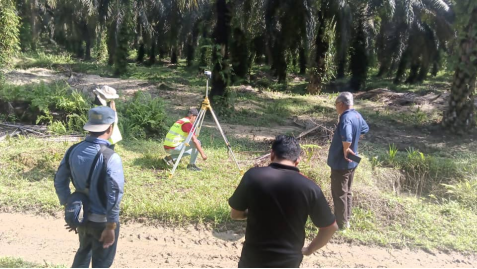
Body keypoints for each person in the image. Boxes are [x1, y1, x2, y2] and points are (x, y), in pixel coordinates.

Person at [229, 135, 338, 268]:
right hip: (288, 262)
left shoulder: (253, 176)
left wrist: (251, 212)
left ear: (272, 154)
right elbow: (330, 227)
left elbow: (235, 214)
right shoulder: (310, 187)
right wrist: (309, 249)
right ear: (297, 160)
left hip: (253, 259)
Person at [54, 107, 125, 268]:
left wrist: (70, 207)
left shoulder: (73, 150)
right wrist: (111, 225)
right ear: (110, 128)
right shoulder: (111, 157)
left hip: (82, 217)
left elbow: (59, 180)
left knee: (83, 252)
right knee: (102, 262)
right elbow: (115, 193)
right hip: (102, 222)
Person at [327, 92, 369, 231]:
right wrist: (355, 142)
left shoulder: (345, 118)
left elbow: (347, 135)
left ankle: (341, 224)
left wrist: (346, 148)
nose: (336, 108)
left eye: (336, 105)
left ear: (341, 104)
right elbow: (365, 128)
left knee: (339, 193)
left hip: (342, 161)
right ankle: (347, 219)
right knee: (347, 191)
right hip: (353, 160)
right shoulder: (357, 115)